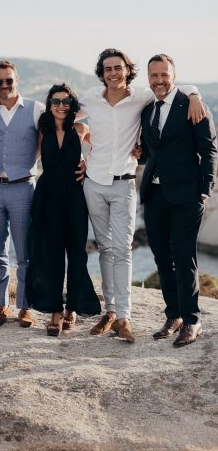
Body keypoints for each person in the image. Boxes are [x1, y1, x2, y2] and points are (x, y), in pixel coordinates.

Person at [79, 48, 204, 343]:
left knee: (123, 250)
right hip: (94, 181)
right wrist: (79, 135)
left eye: (118, 68)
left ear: (127, 71)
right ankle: (110, 311)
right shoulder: (89, 97)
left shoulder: (141, 97)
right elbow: (59, 108)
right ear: (102, 73)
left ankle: (124, 316)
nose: (113, 73)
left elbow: (172, 88)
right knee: (104, 248)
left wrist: (196, 93)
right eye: (108, 68)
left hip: (125, 184)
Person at [140, 54, 217, 347]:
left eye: (164, 75)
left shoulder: (192, 104)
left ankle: (192, 319)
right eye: (154, 75)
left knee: (184, 258)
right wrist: (142, 155)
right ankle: (173, 315)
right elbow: (153, 150)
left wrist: (204, 189)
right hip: (155, 194)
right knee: (162, 257)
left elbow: (209, 150)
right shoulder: (149, 109)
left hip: (187, 195)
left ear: (174, 75)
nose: (159, 80)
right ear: (148, 78)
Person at [26, 84, 101, 336]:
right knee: (51, 252)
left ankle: (74, 308)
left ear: (72, 105)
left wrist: (88, 162)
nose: (60, 106)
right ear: (49, 104)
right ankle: (56, 311)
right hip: (47, 195)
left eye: (66, 101)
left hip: (74, 195)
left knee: (77, 251)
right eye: (55, 101)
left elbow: (105, 147)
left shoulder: (80, 129)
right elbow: (28, 156)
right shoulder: (42, 130)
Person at [0, 60, 44, 328]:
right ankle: (0, 304)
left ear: (17, 80)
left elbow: (50, 138)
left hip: (23, 187)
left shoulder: (35, 109)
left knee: (25, 252)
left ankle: (26, 306)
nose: (5, 86)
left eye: (9, 80)